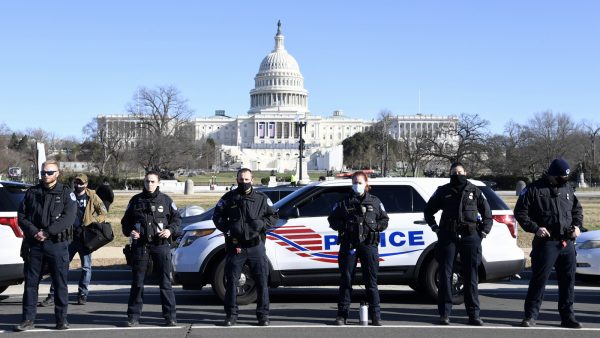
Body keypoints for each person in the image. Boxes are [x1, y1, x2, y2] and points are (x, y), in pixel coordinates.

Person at [514, 158, 583, 329]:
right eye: (560, 178)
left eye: (566, 178)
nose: (563, 181)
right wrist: (535, 228)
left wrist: (577, 226)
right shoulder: (534, 189)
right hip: (546, 243)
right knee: (539, 281)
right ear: (551, 174)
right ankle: (530, 316)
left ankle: (568, 317)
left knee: (568, 282)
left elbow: (577, 211)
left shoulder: (567, 189)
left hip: (566, 243)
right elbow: (520, 213)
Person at [423, 162, 492, 326]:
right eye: (454, 172)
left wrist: (482, 233)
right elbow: (428, 211)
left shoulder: (475, 191)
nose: (457, 175)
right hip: (448, 236)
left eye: (460, 172)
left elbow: (487, 215)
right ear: (450, 174)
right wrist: (436, 229)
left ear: (465, 172)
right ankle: (444, 314)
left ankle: (474, 315)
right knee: (445, 275)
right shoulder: (443, 191)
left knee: (471, 276)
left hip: (470, 237)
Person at [15, 160, 77, 331]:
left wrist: (47, 232)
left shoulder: (66, 193)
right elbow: (21, 216)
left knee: (60, 283)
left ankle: (61, 319)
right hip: (34, 244)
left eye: (50, 172)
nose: (46, 175)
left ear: (57, 173)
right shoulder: (32, 192)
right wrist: (35, 232)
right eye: (43, 172)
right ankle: (27, 319)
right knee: (31, 283)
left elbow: (68, 218)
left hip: (56, 244)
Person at [212, 168, 278, 327]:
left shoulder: (262, 198)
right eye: (241, 180)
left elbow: (274, 216)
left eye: (246, 179)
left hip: (256, 247)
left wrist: (262, 225)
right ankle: (231, 315)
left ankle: (263, 316)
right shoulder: (229, 198)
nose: (244, 182)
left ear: (252, 179)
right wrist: (228, 229)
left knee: (262, 282)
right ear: (237, 180)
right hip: (236, 247)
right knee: (232, 283)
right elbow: (217, 216)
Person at [327, 171, 389, 326]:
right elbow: (332, 220)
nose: (357, 185)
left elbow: (384, 219)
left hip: (369, 244)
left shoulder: (374, 201)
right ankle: (342, 315)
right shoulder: (344, 202)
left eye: (360, 182)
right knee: (346, 280)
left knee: (371, 281)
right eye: (354, 182)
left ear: (366, 183)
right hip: (349, 243)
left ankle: (376, 316)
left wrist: (376, 227)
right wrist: (345, 226)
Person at [121, 170, 181, 327]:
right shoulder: (135, 201)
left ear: (158, 183)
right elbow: (125, 222)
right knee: (138, 283)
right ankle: (133, 316)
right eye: (147, 181)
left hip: (161, 246)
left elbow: (177, 220)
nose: (149, 184)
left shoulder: (166, 201)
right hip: (141, 247)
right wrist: (130, 231)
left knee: (165, 283)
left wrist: (170, 230)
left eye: (153, 181)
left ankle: (170, 317)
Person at [39, 173, 108, 307]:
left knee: (86, 267)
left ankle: (82, 294)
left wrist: (93, 222)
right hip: (68, 236)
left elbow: (103, 212)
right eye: (76, 183)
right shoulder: (68, 194)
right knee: (60, 266)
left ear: (86, 184)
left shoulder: (92, 195)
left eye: (81, 183)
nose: (78, 185)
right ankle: (52, 295)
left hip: (84, 237)